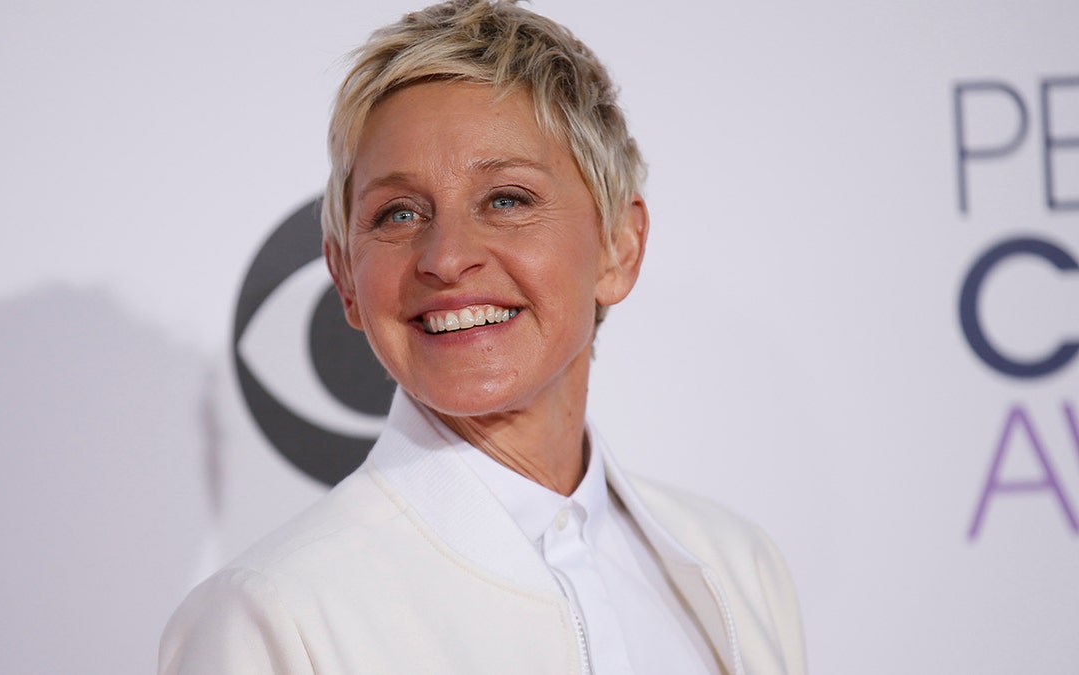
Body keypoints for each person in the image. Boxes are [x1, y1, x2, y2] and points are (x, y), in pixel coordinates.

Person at [159, 1, 806, 673]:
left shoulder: (739, 570)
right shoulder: (273, 619)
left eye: (506, 200)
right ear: (346, 277)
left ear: (618, 246)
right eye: (398, 212)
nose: (446, 256)